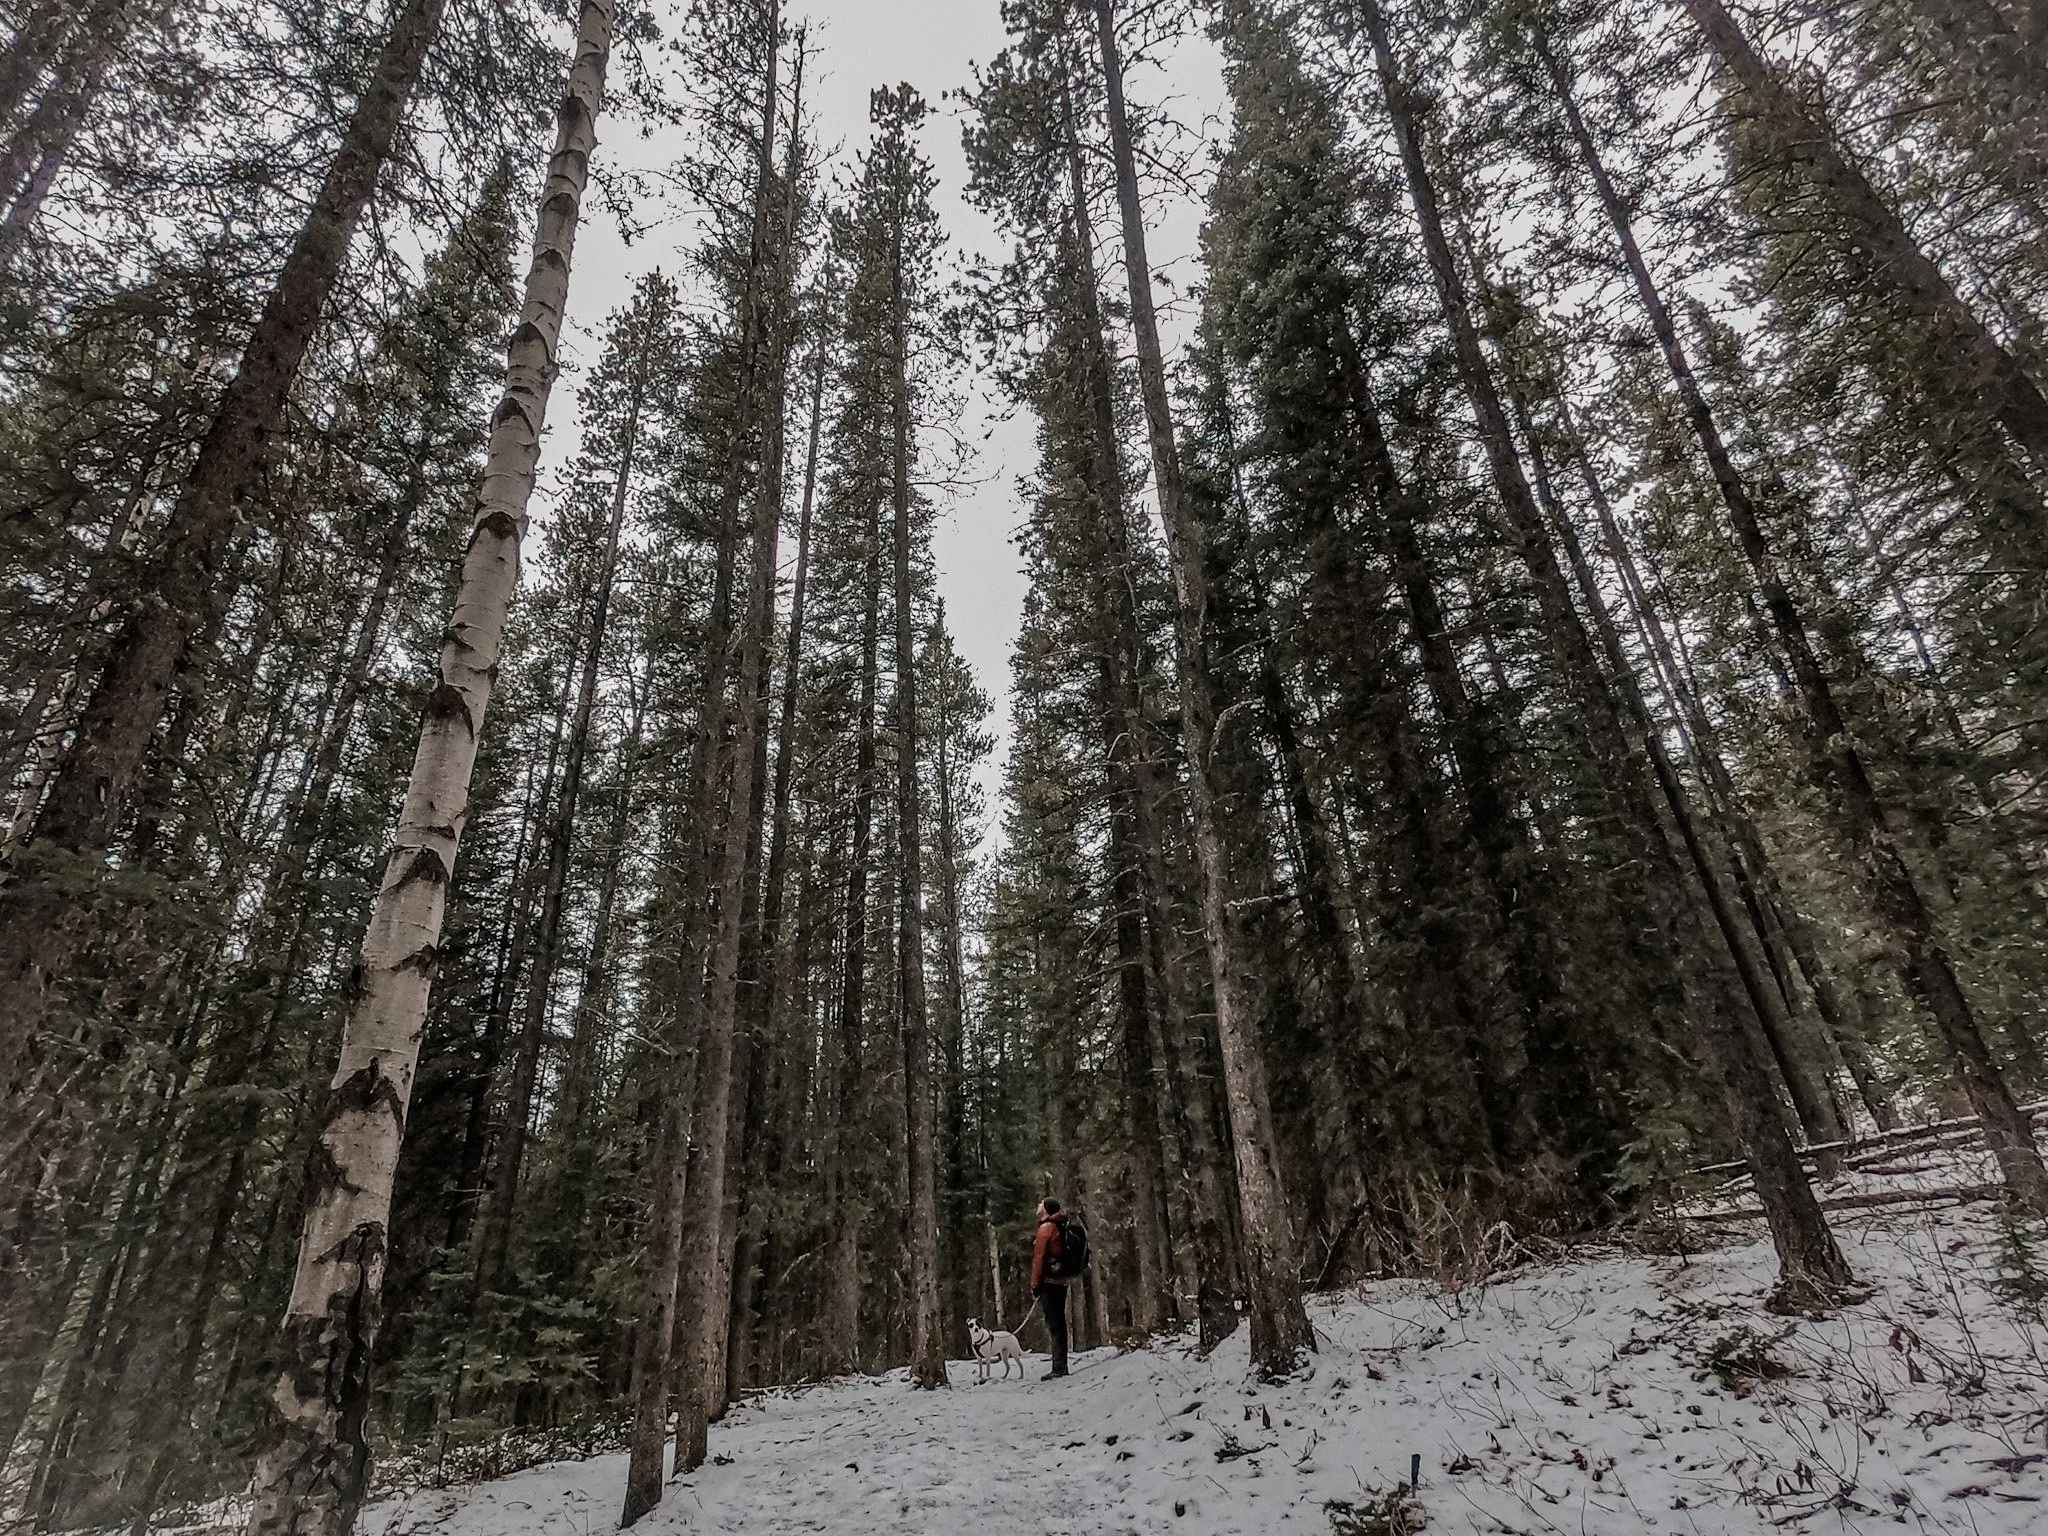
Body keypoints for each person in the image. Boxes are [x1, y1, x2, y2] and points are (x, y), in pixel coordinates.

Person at [1030, 1197, 1072, 1379]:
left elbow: (1038, 1259)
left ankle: (1059, 1367)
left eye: (1040, 1203)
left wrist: (1035, 1285)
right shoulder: (1059, 1225)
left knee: (1055, 1325)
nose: (1037, 1205)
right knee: (1059, 1323)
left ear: (1046, 1209)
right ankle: (1061, 1364)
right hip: (1060, 1280)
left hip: (1049, 1282)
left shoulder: (1046, 1228)